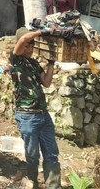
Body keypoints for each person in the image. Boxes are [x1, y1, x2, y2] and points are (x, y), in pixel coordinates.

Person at [10, 26, 61, 189]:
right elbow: (23, 39)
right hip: (27, 116)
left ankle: (53, 185)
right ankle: (33, 183)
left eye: (32, 45)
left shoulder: (34, 64)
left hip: (43, 114)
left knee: (51, 153)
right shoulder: (16, 59)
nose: (30, 48)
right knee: (32, 156)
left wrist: (51, 64)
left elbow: (46, 82)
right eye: (27, 45)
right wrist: (44, 31)